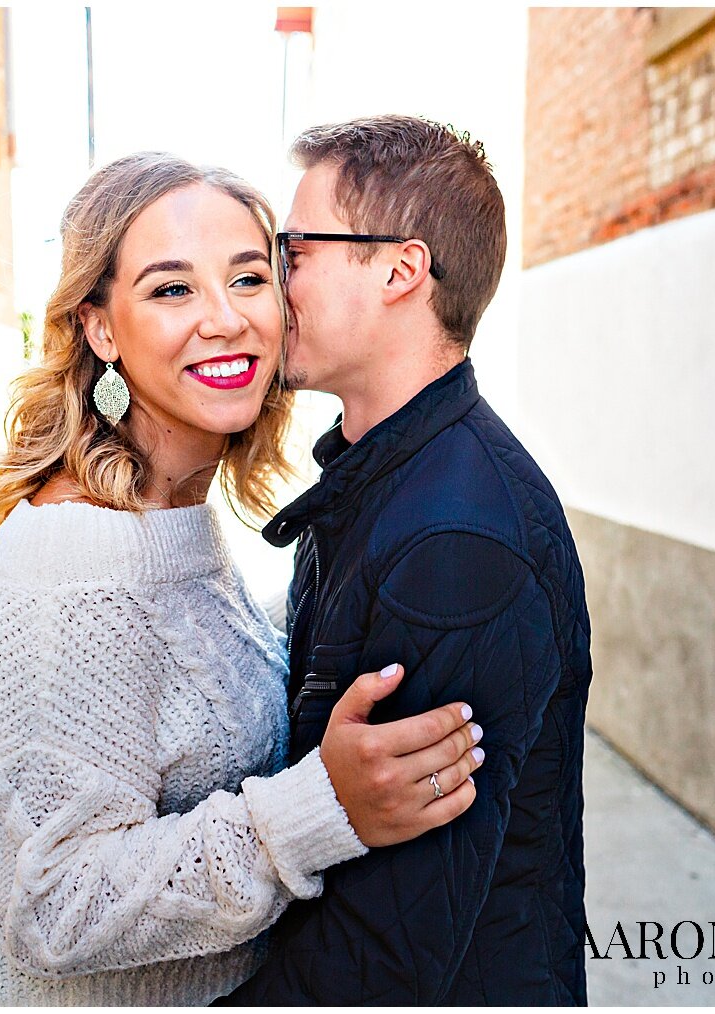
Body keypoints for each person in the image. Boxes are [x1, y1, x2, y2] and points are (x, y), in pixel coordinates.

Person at [0, 152, 486, 1006]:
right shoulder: (68, 576)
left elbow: (177, 678)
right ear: (100, 327)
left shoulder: (169, 511)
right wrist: (316, 811)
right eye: (170, 289)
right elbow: (51, 906)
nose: (224, 319)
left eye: (249, 277)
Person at [218, 116, 594, 1005]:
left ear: (399, 270)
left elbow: (385, 947)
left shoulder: (454, 547)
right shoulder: (382, 468)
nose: (275, 282)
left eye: (294, 249)